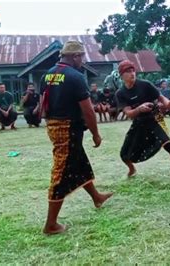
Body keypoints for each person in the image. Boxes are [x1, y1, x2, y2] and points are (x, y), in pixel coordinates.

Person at [39, 40, 113, 235]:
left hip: (54, 127)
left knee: (78, 163)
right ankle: (51, 225)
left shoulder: (46, 75)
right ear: (75, 56)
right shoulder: (75, 76)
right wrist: (96, 134)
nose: (82, 61)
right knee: (60, 173)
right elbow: (88, 110)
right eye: (81, 57)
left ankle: (96, 197)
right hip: (68, 129)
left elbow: (42, 108)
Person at [115, 60, 170, 184]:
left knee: (168, 144)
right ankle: (132, 170)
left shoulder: (145, 85)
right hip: (139, 122)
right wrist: (139, 108)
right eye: (128, 71)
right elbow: (129, 113)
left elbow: (162, 98)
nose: (132, 73)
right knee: (124, 154)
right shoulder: (120, 93)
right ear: (121, 75)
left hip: (154, 118)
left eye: (133, 70)